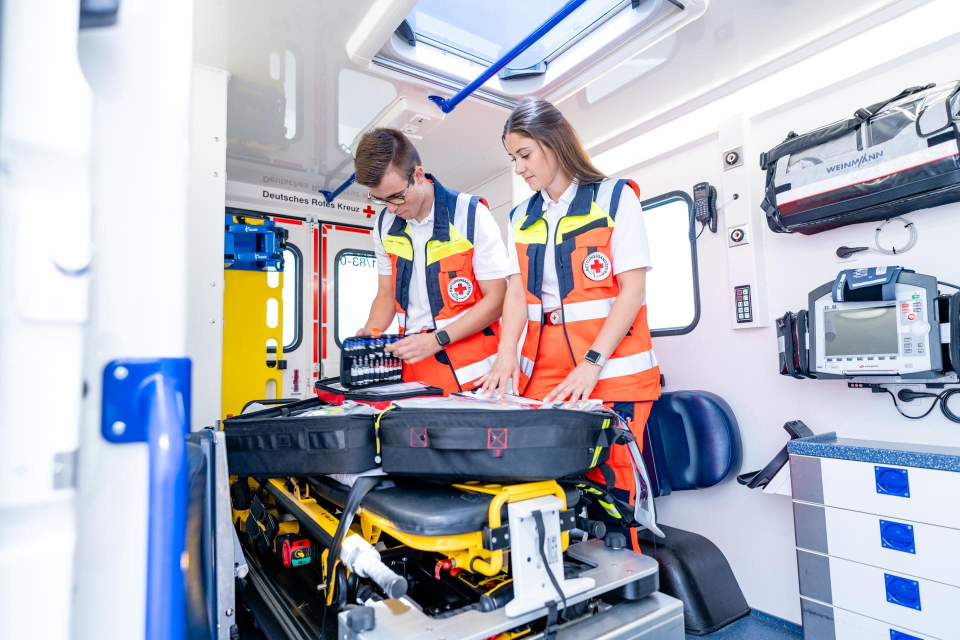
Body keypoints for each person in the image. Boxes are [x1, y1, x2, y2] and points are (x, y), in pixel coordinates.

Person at [479, 97, 661, 547]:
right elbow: (519, 294)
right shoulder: (521, 216)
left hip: (614, 373)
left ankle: (628, 596)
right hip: (545, 378)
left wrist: (593, 362)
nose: (519, 169)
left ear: (554, 144)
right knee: (545, 491)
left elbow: (632, 290)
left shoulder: (616, 198)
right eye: (513, 158)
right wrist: (504, 356)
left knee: (615, 494)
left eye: (525, 155)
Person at [354, 128, 508, 395]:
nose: (391, 208)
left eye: (396, 196)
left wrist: (438, 339)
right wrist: (372, 330)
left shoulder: (471, 215)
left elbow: (497, 299)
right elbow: (386, 294)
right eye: (380, 200)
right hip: (413, 364)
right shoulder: (383, 225)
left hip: (475, 372)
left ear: (418, 175)